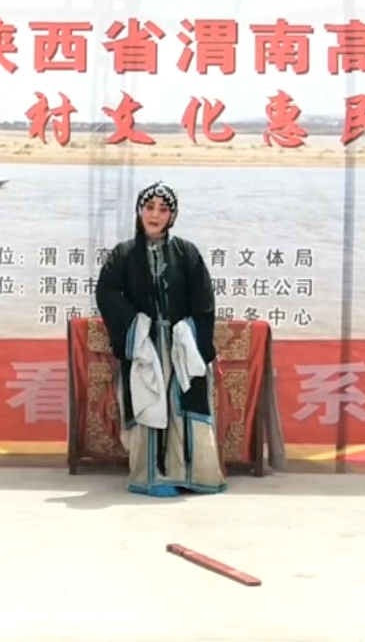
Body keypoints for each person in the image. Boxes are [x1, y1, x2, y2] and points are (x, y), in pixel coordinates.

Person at [94, 181, 227, 497]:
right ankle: (150, 477)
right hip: (145, 344)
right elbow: (107, 292)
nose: (155, 215)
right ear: (139, 211)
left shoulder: (187, 253)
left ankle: (192, 474)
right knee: (149, 402)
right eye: (149, 207)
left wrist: (189, 331)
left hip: (182, 344)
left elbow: (204, 300)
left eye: (163, 209)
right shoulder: (124, 254)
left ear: (172, 216)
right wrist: (136, 327)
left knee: (185, 404)